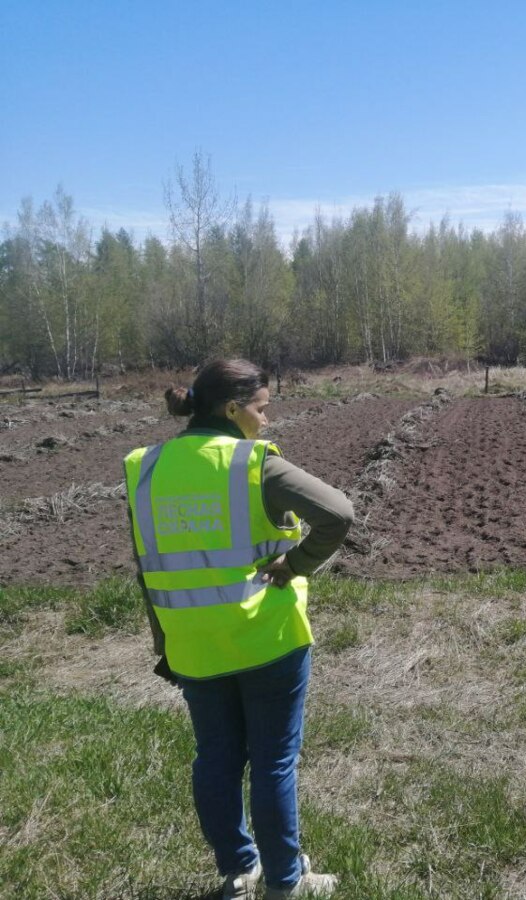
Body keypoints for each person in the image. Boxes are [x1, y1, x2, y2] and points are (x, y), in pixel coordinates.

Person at [124, 359, 353, 900]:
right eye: (262, 408)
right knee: (273, 762)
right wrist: (296, 566)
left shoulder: (145, 467)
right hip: (266, 638)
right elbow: (339, 514)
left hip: (192, 645)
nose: (267, 421)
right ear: (232, 410)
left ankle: (237, 872)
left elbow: (147, 563)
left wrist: (165, 643)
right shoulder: (254, 465)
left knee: (216, 758)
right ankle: (284, 882)